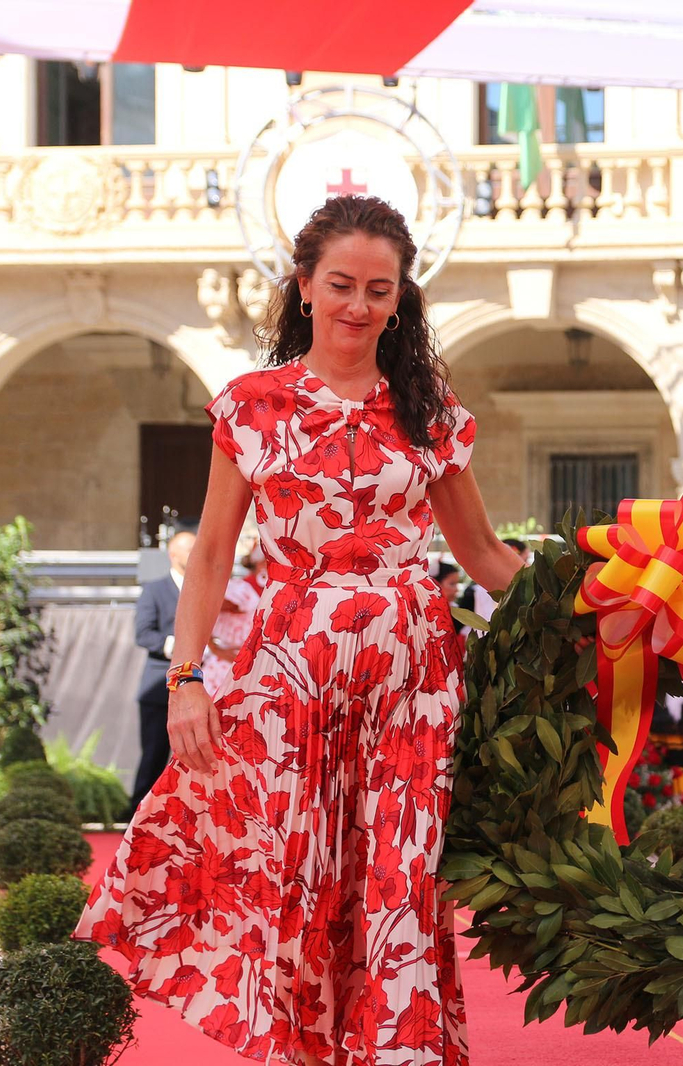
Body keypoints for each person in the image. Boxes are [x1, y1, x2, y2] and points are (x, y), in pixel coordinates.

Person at [77, 195, 524, 1066]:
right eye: (342, 284)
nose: (359, 305)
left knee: (399, 880)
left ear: (402, 299)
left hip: (412, 686)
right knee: (296, 880)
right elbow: (209, 559)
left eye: (380, 289)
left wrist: (602, 593)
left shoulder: (430, 412)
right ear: (306, 285)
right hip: (291, 682)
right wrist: (187, 680)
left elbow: (482, 553)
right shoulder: (252, 407)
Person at [129, 530, 193, 813]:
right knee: (154, 753)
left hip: (196, 681)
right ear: (173, 554)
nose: (193, 555)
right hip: (159, 683)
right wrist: (178, 646)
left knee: (192, 755)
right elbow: (143, 634)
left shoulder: (202, 587)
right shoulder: (154, 589)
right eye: (188, 549)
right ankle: (139, 814)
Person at [199, 542, 263, 699]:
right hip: (227, 668)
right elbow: (204, 609)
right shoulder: (240, 589)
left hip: (260, 667)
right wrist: (215, 648)